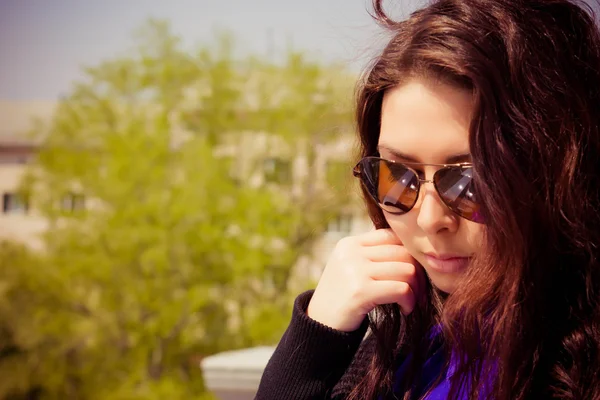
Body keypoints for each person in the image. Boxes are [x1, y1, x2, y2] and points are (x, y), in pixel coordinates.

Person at [255, 0, 600, 398]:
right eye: (397, 176)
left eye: (473, 181)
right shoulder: (402, 335)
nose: (429, 218)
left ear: (556, 175)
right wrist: (316, 336)